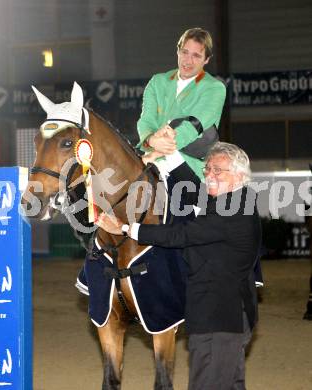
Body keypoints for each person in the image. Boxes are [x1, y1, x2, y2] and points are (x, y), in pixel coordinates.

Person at [98, 142, 262, 390]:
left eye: (218, 170)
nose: (209, 175)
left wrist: (123, 228)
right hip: (226, 316)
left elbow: (179, 235)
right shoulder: (234, 200)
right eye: (208, 169)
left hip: (219, 320)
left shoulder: (234, 210)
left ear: (240, 176)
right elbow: (195, 191)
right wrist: (170, 153)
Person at [137, 27, 226, 179]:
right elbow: (146, 120)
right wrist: (151, 139)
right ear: (178, 51)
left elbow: (192, 126)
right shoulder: (157, 82)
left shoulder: (215, 88)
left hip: (190, 171)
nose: (188, 61)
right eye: (185, 52)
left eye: (196, 56)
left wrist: (158, 150)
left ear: (206, 60)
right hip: (151, 166)